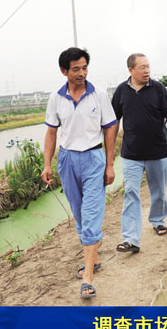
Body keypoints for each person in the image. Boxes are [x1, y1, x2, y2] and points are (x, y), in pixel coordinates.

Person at [41, 47, 118, 299]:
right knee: (80, 214)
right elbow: (51, 132)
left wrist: (109, 163)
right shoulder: (56, 98)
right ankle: (93, 258)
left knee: (92, 213)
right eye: (76, 69)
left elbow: (110, 128)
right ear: (64, 71)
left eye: (84, 68)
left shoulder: (99, 95)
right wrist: (47, 164)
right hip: (67, 160)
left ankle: (88, 277)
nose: (82, 73)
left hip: (94, 158)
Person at [111, 53, 167, 253]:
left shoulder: (157, 88)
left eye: (148, 66)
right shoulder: (121, 91)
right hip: (131, 153)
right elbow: (114, 121)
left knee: (158, 191)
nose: (147, 70)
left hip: (157, 151)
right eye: (142, 67)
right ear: (131, 70)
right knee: (131, 192)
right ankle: (131, 239)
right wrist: (110, 148)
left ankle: (158, 220)